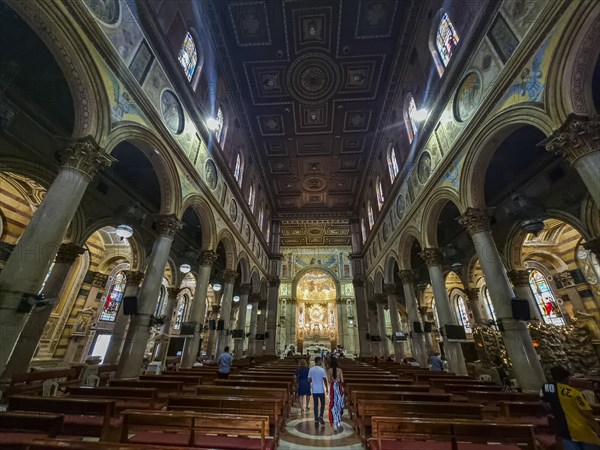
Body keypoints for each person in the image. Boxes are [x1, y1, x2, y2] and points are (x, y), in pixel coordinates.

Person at [540, 366, 600, 450]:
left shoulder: (545, 388)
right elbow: (587, 414)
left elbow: (543, 402)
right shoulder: (575, 393)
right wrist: (598, 430)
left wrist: (553, 410)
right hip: (582, 430)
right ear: (565, 379)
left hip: (563, 431)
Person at [308, 356, 328, 426]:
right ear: (318, 361)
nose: (321, 362)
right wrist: (327, 388)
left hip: (314, 389)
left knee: (316, 405)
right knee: (322, 404)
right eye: (320, 361)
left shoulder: (311, 370)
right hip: (321, 389)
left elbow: (309, 380)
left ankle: (316, 419)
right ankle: (321, 416)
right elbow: (325, 380)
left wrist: (313, 380)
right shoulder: (322, 370)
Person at [328, 357, 345, 432]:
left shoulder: (329, 370)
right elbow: (342, 380)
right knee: (339, 404)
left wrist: (333, 380)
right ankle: (338, 421)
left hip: (333, 388)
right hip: (339, 387)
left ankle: (335, 420)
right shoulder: (340, 370)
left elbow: (329, 380)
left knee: (333, 404)